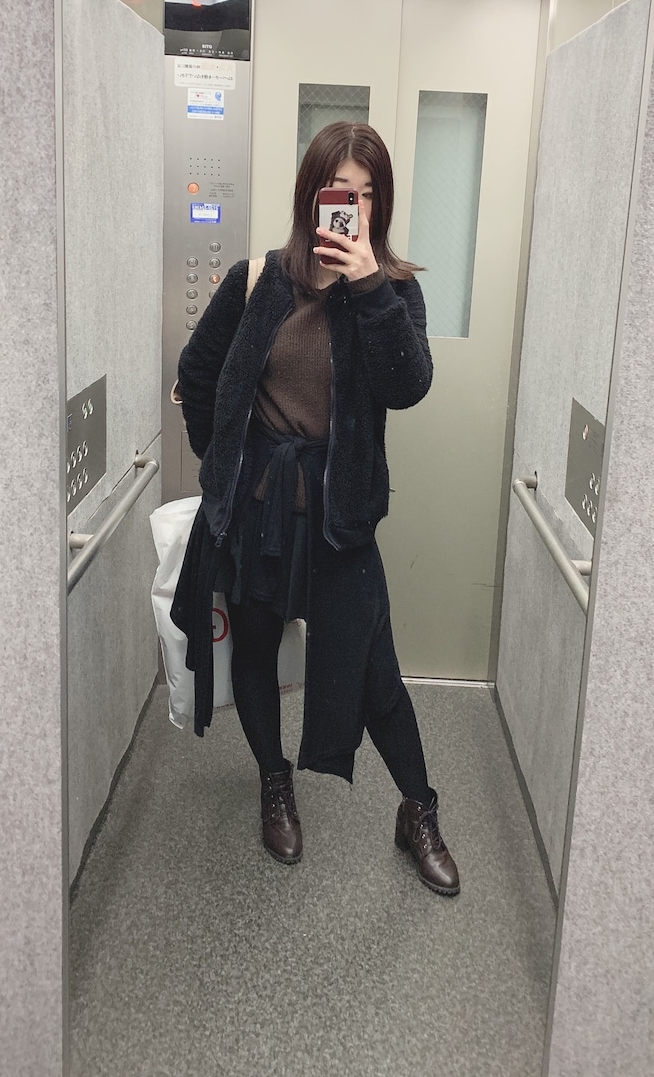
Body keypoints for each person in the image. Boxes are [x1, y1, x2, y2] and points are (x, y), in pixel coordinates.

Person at [171, 122, 459, 896]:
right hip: (260, 513)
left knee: (375, 673)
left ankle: (419, 810)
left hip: (341, 518)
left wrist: (367, 287)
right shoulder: (258, 280)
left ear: (381, 204)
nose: (353, 209)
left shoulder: (393, 292)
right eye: (341, 193)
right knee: (256, 649)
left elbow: (408, 385)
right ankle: (275, 782)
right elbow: (198, 374)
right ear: (311, 196)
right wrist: (224, 464)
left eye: (367, 196)